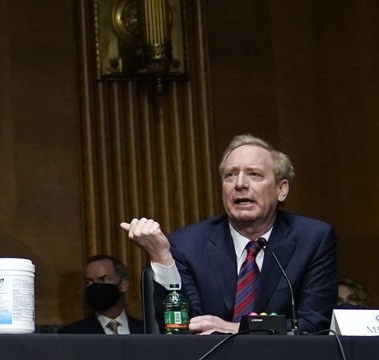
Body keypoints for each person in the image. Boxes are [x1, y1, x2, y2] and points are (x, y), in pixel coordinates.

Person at [122, 134, 337, 333]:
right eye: (230, 176)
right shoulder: (188, 244)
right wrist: (161, 257)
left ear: (281, 189)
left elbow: (314, 325)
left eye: (254, 174)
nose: (240, 184)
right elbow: (181, 327)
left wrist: (234, 329)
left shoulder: (312, 239)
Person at [59, 254, 146, 334]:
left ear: (124, 285)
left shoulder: (146, 331)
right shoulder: (73, 334)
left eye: (103, 279)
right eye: (89, 282)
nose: (95, 286)